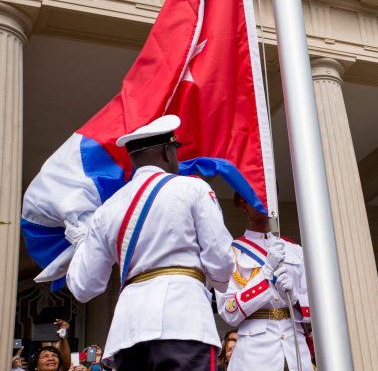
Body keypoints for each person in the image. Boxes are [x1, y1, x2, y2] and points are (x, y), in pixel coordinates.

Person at [65, 115, 235, 370]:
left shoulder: (107, 209)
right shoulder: (193, 188)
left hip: (127, 330)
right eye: (175, 151)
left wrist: (80, 243)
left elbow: (84, 286)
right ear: (168, 152)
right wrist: (219, 282)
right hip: (184, 320)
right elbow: (220, 260)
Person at [216, 192, 312, 371]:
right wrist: (265, 275)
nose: (265, 202)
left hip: (295, 348)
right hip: (255, 353)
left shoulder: (295, 250)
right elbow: (228, 310)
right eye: (257, 196)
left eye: (269, 196)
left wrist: (295, 299)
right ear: (244, 205)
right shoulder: (232, 253)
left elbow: (317, 306)